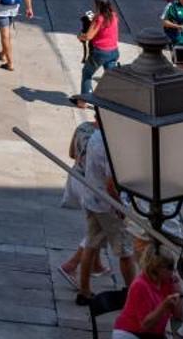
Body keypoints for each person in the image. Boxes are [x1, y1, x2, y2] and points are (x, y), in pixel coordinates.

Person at [58, 119, 135, 303]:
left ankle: (84, 291)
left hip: (92, 197)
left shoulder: (96, 136)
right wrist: (122, 208)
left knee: (91, 244)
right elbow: (111, 185)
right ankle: (133, 297)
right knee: (125, 251)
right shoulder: (111, 145)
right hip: (107, 205)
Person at [112, 243, 182, 338]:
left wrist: (178, 290)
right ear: (156, 268)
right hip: (131, 333)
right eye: (169, 267)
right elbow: (145, 325)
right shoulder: (140, 285)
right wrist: (163, 306)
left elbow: (179, 316)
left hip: (151, 334)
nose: (173, 270)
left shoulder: (167, 282)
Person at [73, 0, 121, 106]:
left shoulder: (98, 18)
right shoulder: (114, 16)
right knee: (110, 78)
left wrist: (80, 36)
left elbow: (89, 36)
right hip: (113, 51)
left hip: (100, 52)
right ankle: (113, 101)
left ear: (98, 6)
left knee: (87, 73)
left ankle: (83, 101)